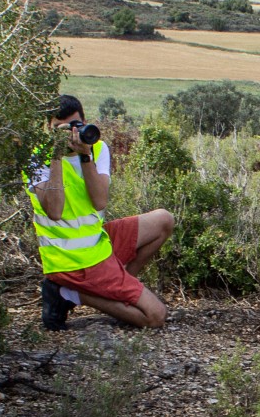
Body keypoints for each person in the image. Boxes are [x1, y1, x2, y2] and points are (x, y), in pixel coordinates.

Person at [26, 95, 175, 330]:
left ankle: (118, 288)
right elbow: (54, 211)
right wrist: (56, 156)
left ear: (84, 122)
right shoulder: (36, 156)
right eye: (60, 129)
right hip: (68, 261)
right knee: (155, 316)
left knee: (164, 220)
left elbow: (99, 201)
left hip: (97, 245)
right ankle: (69, 294)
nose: (70, 134)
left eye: (75, 126)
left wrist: (84, 155)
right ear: (48, 129)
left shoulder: (96, 148)